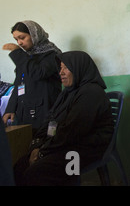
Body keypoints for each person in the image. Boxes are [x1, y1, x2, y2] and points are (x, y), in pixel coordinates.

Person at [13, 51, 114, 186]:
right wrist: (36, 146)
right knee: (19, 167)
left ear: (79, 67)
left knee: (37, 172)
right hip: (66, 144)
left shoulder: (91, 92)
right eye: (60, 67)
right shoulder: (67, 93)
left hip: (86, 149)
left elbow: (72, 131)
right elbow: (49, 120)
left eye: (66, 67)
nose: (61, 72)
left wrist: (43, 152)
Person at [2, 21, 62, 134]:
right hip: (25, 112)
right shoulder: (27, 57)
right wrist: (10, 108)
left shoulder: (52, 55)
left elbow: (38, 73)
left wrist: (17, 53)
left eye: (22, 37)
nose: (19, 42)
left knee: (43, 144)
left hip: (44, 112)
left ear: (34, 35)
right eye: (16, 40)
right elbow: (19, 83)